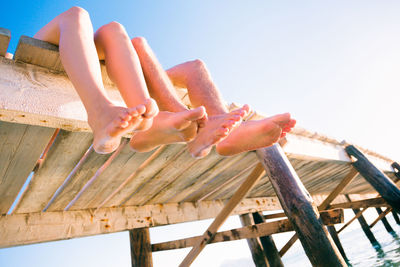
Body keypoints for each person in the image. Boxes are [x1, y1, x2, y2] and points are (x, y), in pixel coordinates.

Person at [34, 6, 295, 158]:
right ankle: (113, 116)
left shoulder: (120, 52)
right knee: (78, 15)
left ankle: (159, 121)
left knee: (118, 31)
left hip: (121, 80)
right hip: (62, 49)